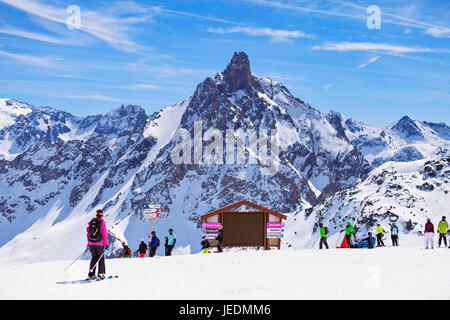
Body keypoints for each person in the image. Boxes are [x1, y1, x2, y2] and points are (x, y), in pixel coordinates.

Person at [86, 209, 108, 280]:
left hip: (91, 243)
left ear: (96, 214)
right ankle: (100, 274)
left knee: (94, 258)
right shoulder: (102, 223)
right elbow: (104, 234)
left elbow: (88, 232)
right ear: (102, 215)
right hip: (99, 243)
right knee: (100, 258)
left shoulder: (91, 222)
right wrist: (106, 244)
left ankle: (91, 274)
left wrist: (89, 242)